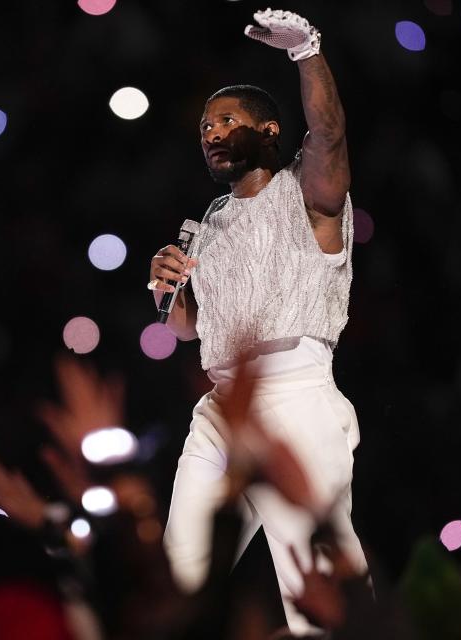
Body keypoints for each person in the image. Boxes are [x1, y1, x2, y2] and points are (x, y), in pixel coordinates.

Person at [148, 9, 367, 634]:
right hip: (223, 405)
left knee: (317, 584)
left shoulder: (309, 194)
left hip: (296, 394)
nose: (211, 132)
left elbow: (328, 134)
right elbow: (188, 330)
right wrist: (167, 292)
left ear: (269, 130)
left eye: (226, 120)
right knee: (181, 570)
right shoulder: (207, 225)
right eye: (204, 125)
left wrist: (307, 52)